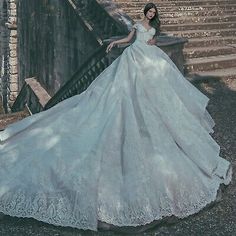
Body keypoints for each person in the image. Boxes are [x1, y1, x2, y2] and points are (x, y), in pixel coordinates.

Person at [0, 2, 232, 232]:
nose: (151, 14)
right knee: (119, 97)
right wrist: (115, 45)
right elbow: (129, 38)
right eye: (149, 11)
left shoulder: (153, 28)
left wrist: (152, 43)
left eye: (153, 12)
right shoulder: (139, 25)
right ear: (145, 13)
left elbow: (151, 41)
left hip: (149, 61)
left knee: (156, 97)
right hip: (133, 60)